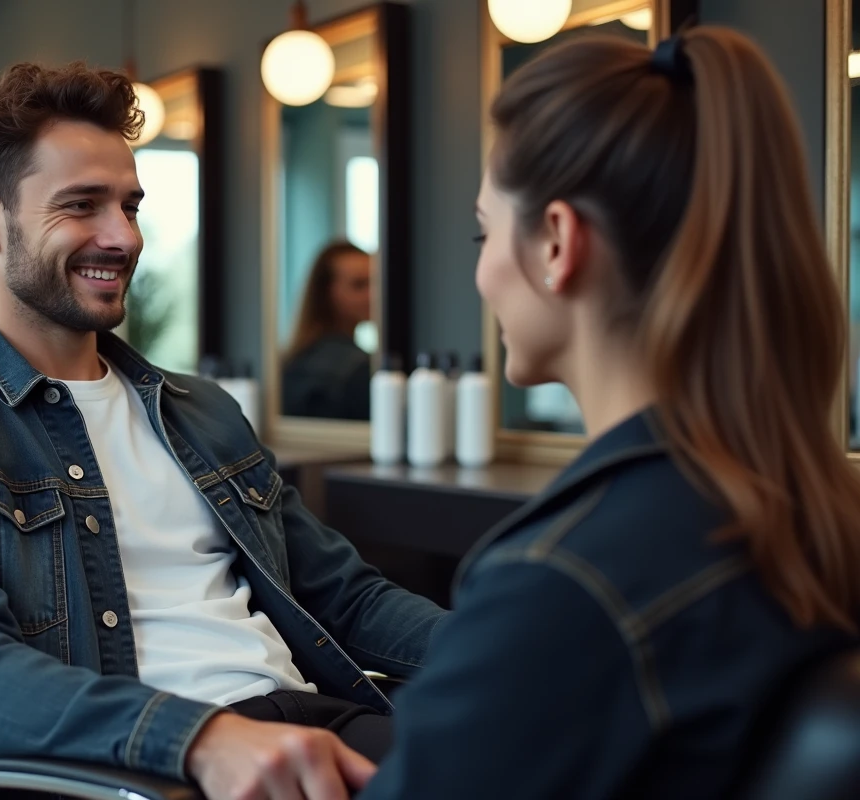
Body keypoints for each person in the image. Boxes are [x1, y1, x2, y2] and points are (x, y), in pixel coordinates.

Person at [0, 62, 445, 800]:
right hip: (130, 770)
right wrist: (200, 739)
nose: (122, 237)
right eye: (82, 205)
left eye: (130, 206)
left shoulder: (202, 411)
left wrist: (505, 652)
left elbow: (346, 598)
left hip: (306, 729)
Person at [359, 28, 860, 799]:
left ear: (557, 244)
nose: (482, 271)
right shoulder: (803, 507)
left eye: (485, 232)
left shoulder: (562, 583)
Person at [281, 241, 373, 420]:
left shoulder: (292, 359)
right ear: (327, 293)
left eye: (376, 283)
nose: (373, 294)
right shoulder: (358, 369)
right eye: (359, 285)